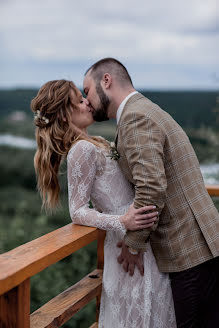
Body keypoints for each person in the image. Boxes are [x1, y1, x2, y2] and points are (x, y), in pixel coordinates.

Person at [83, 57, 219, 328]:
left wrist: (134, 245)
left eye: (86, 91)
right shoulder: (145, 109)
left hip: (187, 249)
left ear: (106, 81)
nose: (86, 100)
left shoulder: (135, 117)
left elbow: (151, 187)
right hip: (201, 245)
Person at [31, 79, 176, 328]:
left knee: (153, 308)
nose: (87, 102)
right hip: (124, 239)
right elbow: (77, 211)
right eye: (79, 100)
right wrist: (122, 220)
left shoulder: (95, 141)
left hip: (138, 236)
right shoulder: (81, 150)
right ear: (65, 115)